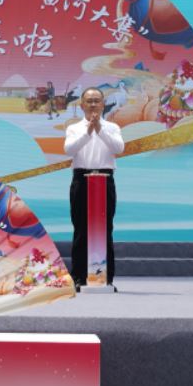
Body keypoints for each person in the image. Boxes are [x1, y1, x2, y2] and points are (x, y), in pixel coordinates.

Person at [64, 87, 123, 289]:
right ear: (82, 105)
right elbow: (69, 149)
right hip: (81, 179)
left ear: (103, 104)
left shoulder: (112, 127)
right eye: (89, 101)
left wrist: (99, 129)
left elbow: (118, 148)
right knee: (81, 228)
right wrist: (88, 131)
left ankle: (106, 278)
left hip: (105, 179)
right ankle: (79, 277)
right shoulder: (74, 128)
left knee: (105, 228)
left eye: (97, 100)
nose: (93, 105)